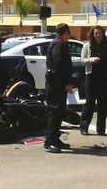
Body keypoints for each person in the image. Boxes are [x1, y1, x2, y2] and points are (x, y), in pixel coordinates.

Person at [79, 25, 107, 136]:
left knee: (103, 104)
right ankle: (84, 127)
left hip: (104, 78)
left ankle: (101, 129)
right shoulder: (87, 45)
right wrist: (91, 60)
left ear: (103, 34)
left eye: (100, 33)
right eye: (96, 33)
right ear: (92, 35)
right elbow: (82, 60)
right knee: (89, 102)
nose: (98, 35)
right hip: (91, 77)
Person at [44, 23, 73, 153]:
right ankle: (50, 141)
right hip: (56, 83)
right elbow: (59, 65)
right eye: (68, 32)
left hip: (57, 82)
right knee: (55, 112)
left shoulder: (58, 43)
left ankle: (55, 138)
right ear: (64, 33)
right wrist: (67, 82)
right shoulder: (59, 44)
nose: (69, 35)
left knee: (59, 111)